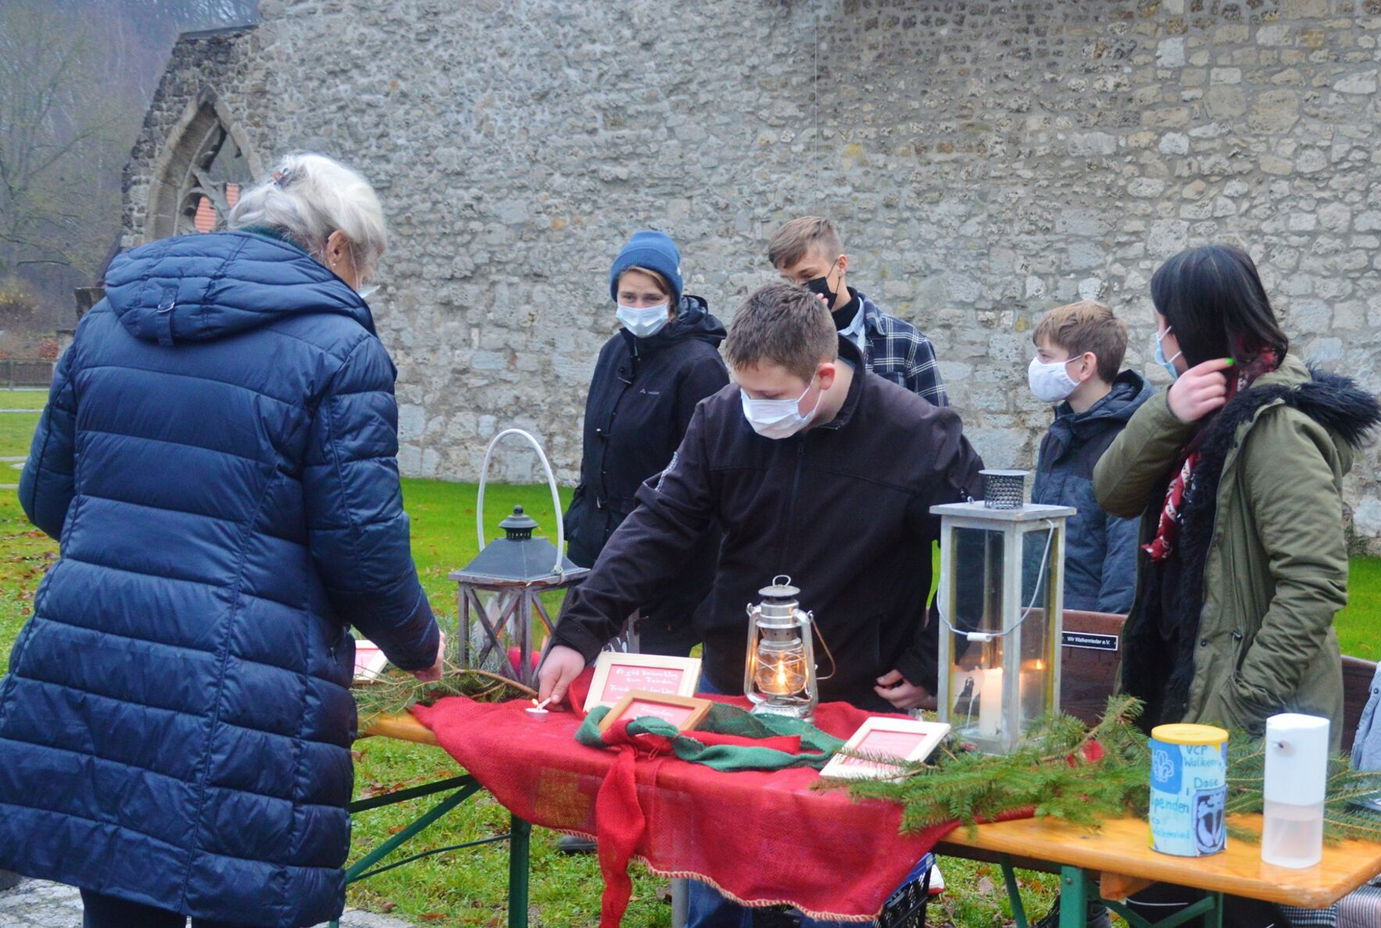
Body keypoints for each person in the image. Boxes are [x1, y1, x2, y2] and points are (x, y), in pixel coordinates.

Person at [0, 153, 444, 928]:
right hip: (242, 690)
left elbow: (45, 494)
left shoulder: (110, 318)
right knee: (246, 894)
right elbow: (360, 546)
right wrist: (419, 646)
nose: (362, 283)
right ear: (336, 248)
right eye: (364, 263)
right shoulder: (342, 350)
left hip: (93, 660)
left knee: (120, 897)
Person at [537, 282, 985, 928]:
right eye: (744, 391)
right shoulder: (721, 418)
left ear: (824, 374)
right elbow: (659, 524)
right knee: (717, 882)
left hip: (856, 701)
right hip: (734, 687)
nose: (754, 410)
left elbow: (982, 550)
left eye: (770, 396)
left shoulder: (916, 435)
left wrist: (931, 658)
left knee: (830, 897)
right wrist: (581, 632)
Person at [1092, 243, 1381, 928]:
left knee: (1232, 908)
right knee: (1169, 892)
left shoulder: (1274, 426)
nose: (1160, 338)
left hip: (1255, 726)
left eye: (1165, 324)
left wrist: (1242, 703)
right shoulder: (1204, 413)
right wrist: (1169, 409)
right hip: (1186, 692)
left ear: (1192, 326)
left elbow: (1312, 583)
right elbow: (1113, 490)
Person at [562, 229, 727, 657]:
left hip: (660, 558)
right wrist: (580, 523)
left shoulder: (699, 366)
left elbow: (703, 479)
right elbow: (594, 452)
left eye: (650, 297)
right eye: (628, 296)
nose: (638, 307)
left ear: (672, 298)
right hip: (592, 546)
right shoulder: (613, 351)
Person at [1027, 300, 1151, 615]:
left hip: (1086, 633)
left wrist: (1103, 646)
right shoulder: (1059, 436)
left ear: (1085, 366)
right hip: (1044, 626)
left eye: (1045, 356)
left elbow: (1125, 567)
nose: (1036, 365)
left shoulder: (1127, 443)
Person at [767, 216, 948, 406]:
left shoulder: (905, 341)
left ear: (841, 265)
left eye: (808, 275)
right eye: (788, 280)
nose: (799, 287)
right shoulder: (780, 343)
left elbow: (938, 428)